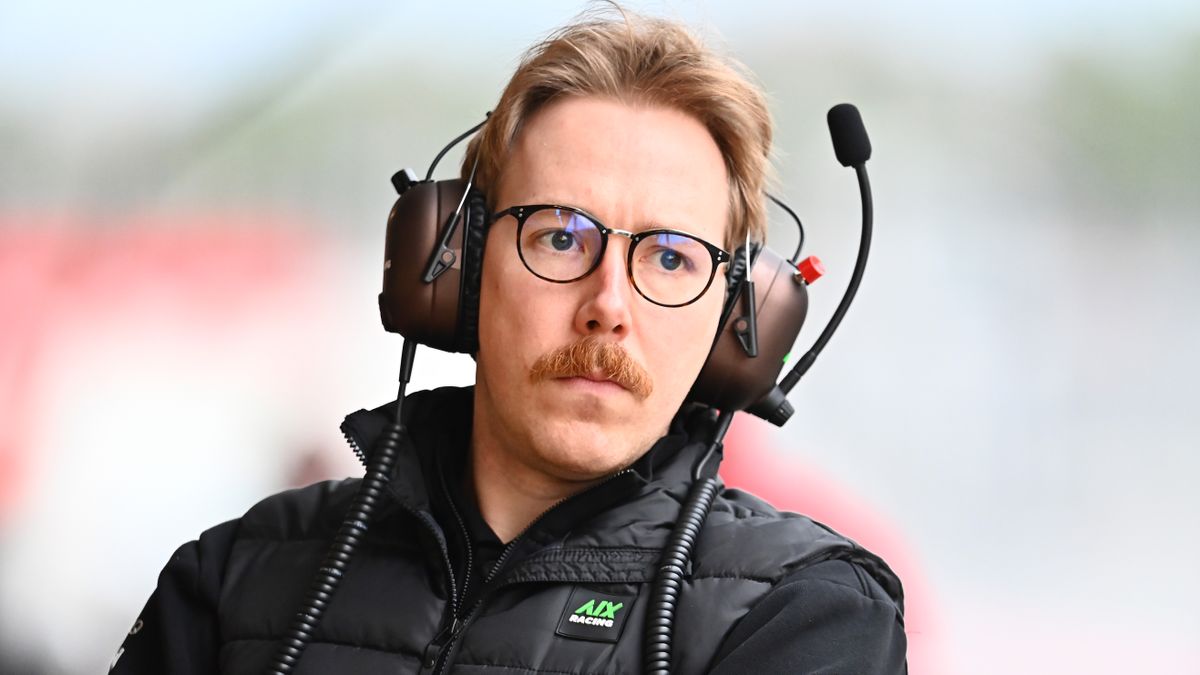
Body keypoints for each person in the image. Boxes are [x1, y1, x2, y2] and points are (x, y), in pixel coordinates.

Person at [112, 7, 906, 674]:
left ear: (738, 323)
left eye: (670, 257)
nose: (608, 305)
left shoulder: (807, 615)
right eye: (560, 236)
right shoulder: (234, 578)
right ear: (453, 267)